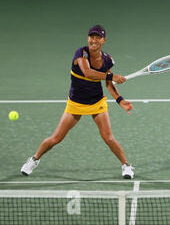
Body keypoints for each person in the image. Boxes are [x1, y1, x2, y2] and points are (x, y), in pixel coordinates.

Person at [21, 25, 135, 179]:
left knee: (108, 138)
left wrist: (120, 100)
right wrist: (112, 76)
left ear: (104, 40)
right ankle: (33, 160)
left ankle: (126, 165)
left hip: (96, 102)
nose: (93, 40)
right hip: (76, 103)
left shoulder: (108, 60)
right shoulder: (81, 53)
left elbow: (108, 85)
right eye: (91, 37)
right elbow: (88, 73)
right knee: (56, 138)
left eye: (97, 37)